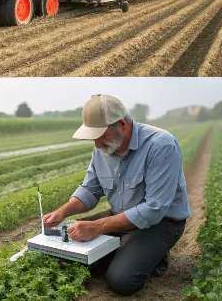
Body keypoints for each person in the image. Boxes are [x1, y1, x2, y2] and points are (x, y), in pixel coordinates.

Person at [42, 94, 190, 296]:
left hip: (161, 223)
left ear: (121, 124)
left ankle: (152, 255)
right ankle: (127, 248)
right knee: (66, 249)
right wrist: (62, 212)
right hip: (120, 215)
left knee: (122, 281)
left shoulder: (161, 146)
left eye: (100, 135)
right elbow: (90, 189)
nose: (96, 144)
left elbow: (153, 209)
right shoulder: (103, 149)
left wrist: (97, 227)